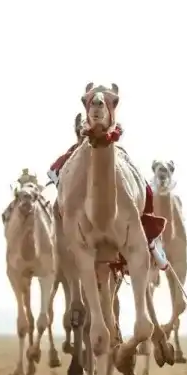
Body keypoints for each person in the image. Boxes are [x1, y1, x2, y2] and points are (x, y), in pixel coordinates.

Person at [46, 114, 169, 272]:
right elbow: (54, 174)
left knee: (144, 190)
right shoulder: (69, 159)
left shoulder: (115, 148)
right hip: (77, 201)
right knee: (58, 209)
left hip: (110, 161)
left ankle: (150, 244)